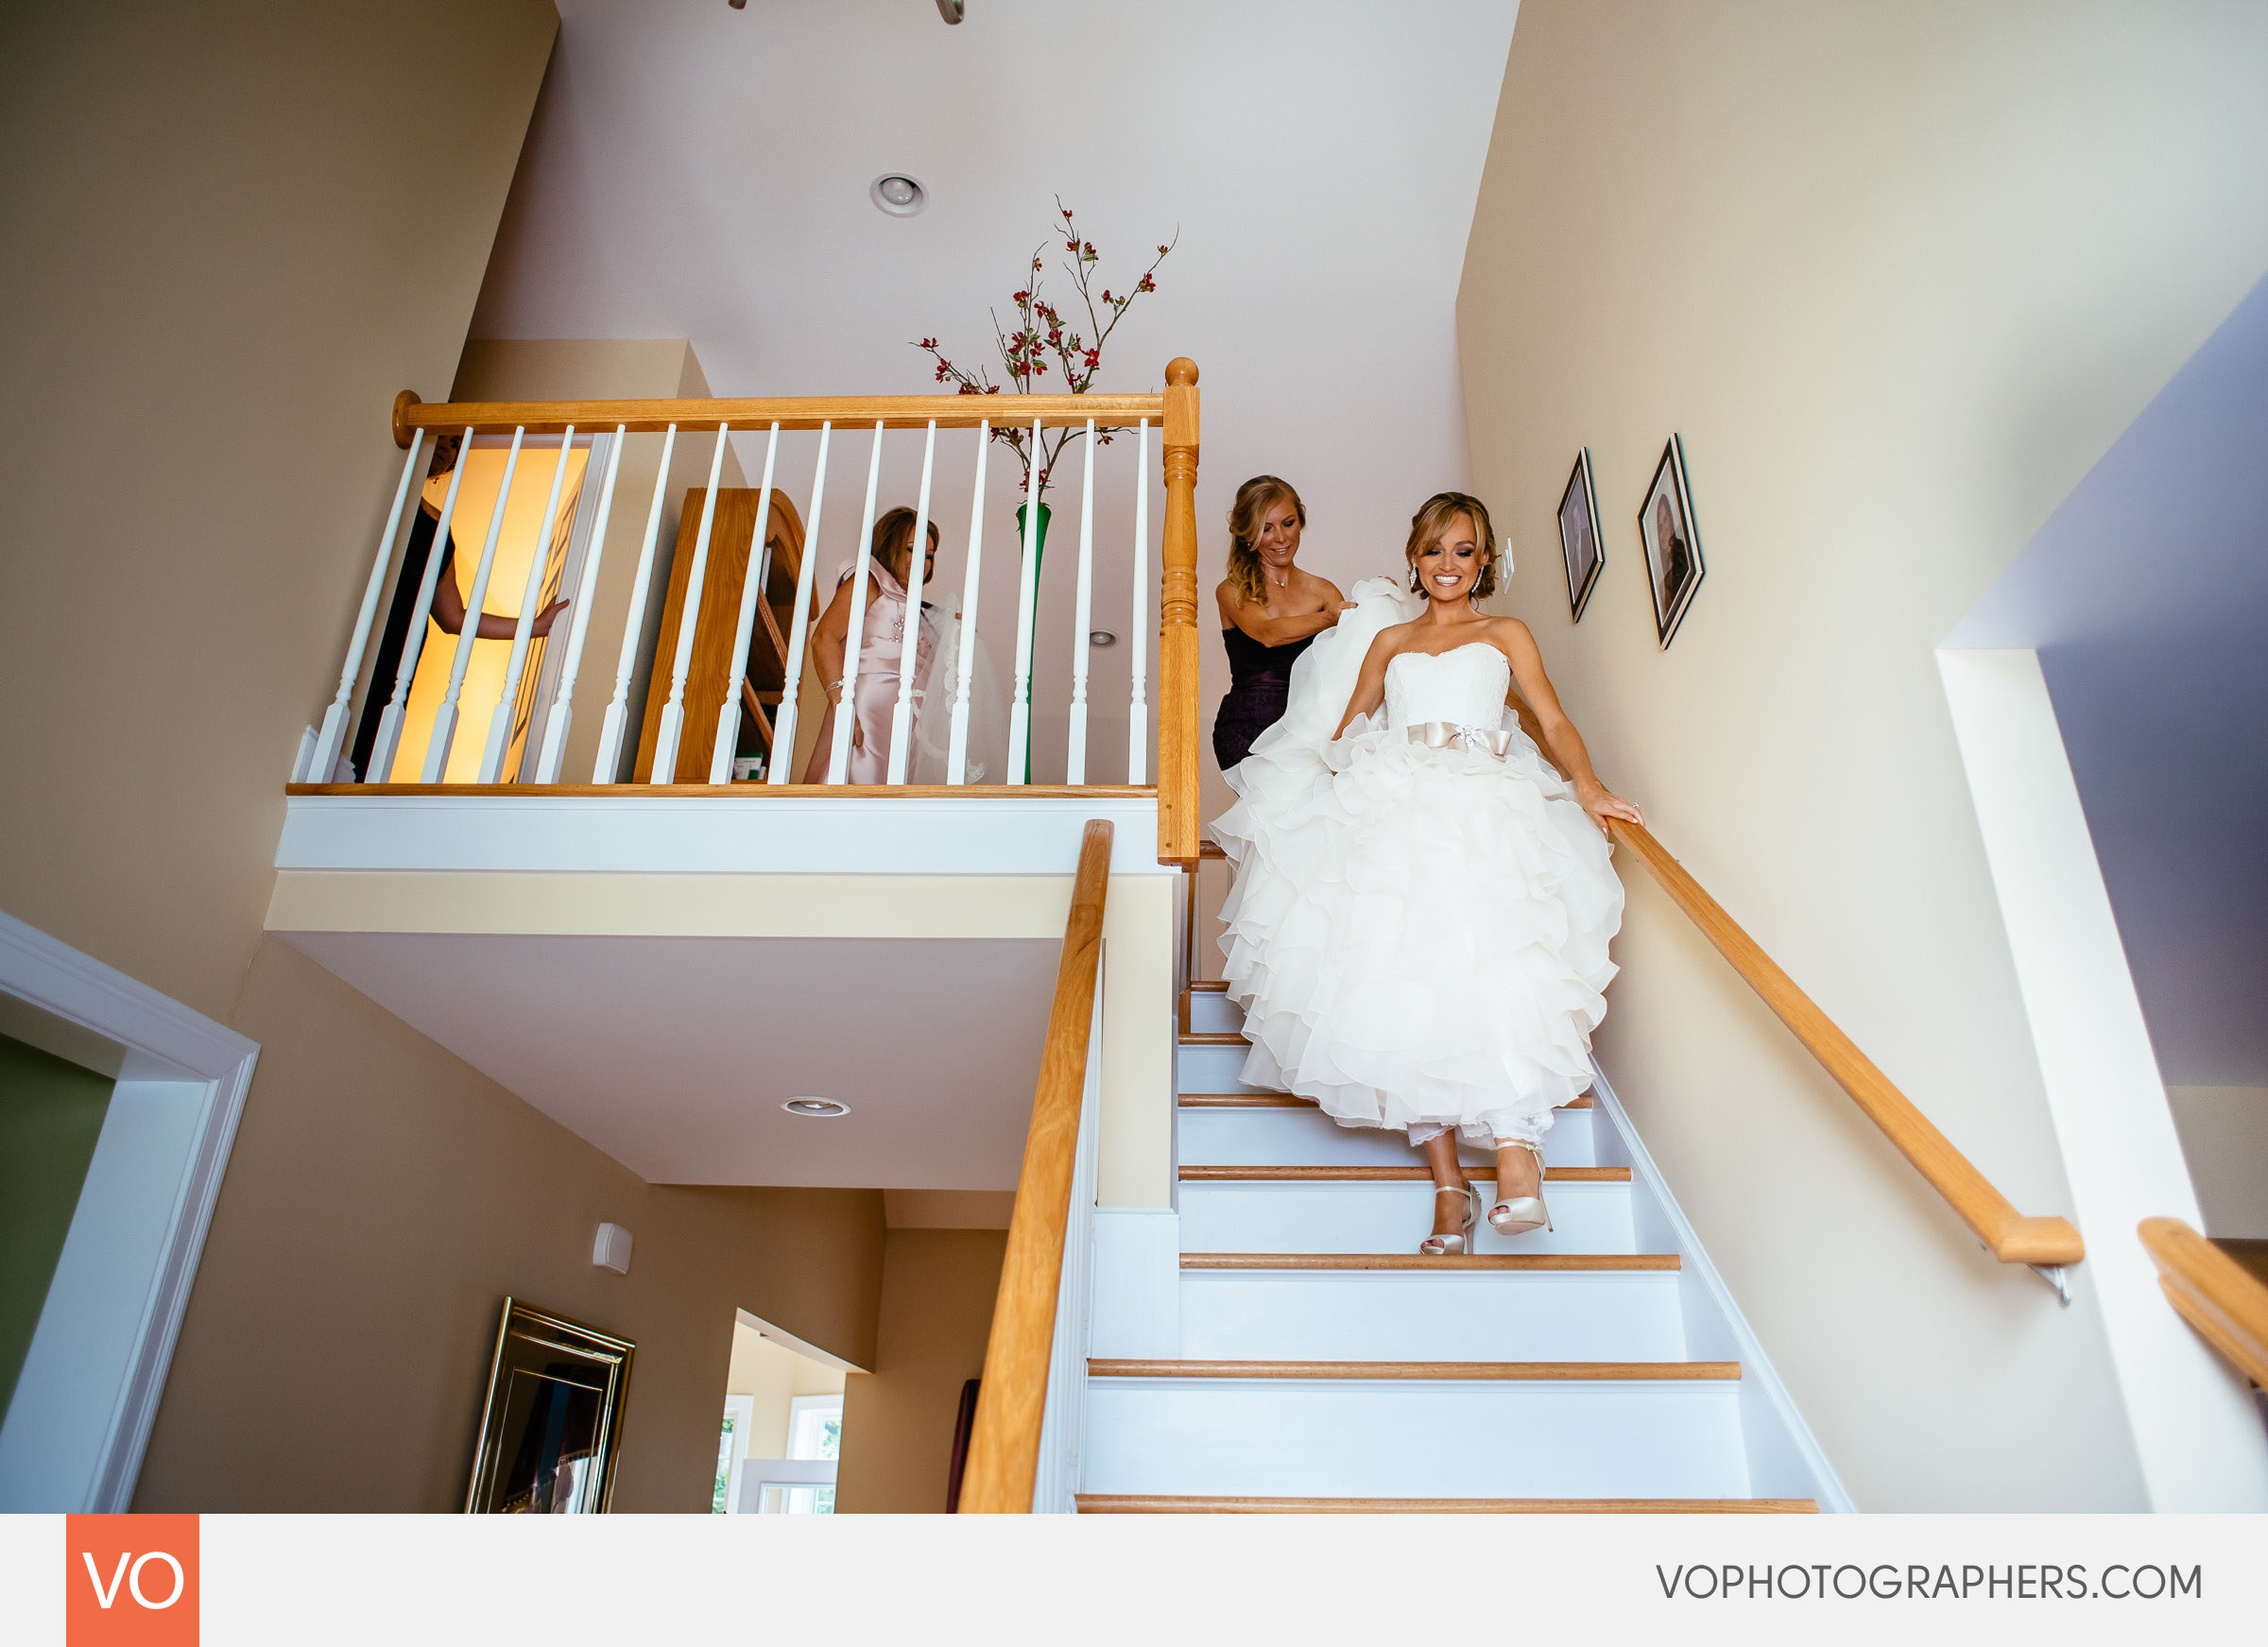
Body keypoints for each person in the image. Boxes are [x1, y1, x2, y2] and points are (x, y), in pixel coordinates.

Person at [1212, 491, 1641, 1254]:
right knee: (1402, 985)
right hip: (1399, 807)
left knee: (1495, 963)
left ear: (1483, 561)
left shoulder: (1504, 632)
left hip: (1486, 804)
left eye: (1465, 550)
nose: (1449, 565)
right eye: (1435, 549)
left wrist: (1587, 784)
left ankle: (1516, 1152)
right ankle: (1450, 1185)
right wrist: (1348, 797)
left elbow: (1551, 717)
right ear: (1413, 557)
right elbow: (1345, 732)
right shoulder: (1389, 641)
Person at [349, 434, 568, 781]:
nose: (446, 447)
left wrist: (535, 627)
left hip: (391, 655)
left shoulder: (436, 530)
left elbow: (453, 617)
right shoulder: (365, 491)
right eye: (442, 435)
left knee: (361, 751)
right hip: (349, 637)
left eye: (454, 443)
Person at [802, 506, 958, 784]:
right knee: (856, 784)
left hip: (905, 725)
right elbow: (823, 638)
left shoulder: (919, 611)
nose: (922, 562)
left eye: (929, 556)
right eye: (912, 549)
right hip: (867, 710)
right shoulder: (870, 581)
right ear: (891, 544)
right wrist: (842, 704)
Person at [1211, 475, 1352, 771]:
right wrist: (1328, 618)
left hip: (1308, 731)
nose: (1281, 537)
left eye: (1288, 523)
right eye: (1266, 528)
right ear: (1248, 533)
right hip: (1247, 729)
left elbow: (1343, 667)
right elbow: (1267, 634)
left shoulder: (1324, 591)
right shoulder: (1232, 589)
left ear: (1300, 521)